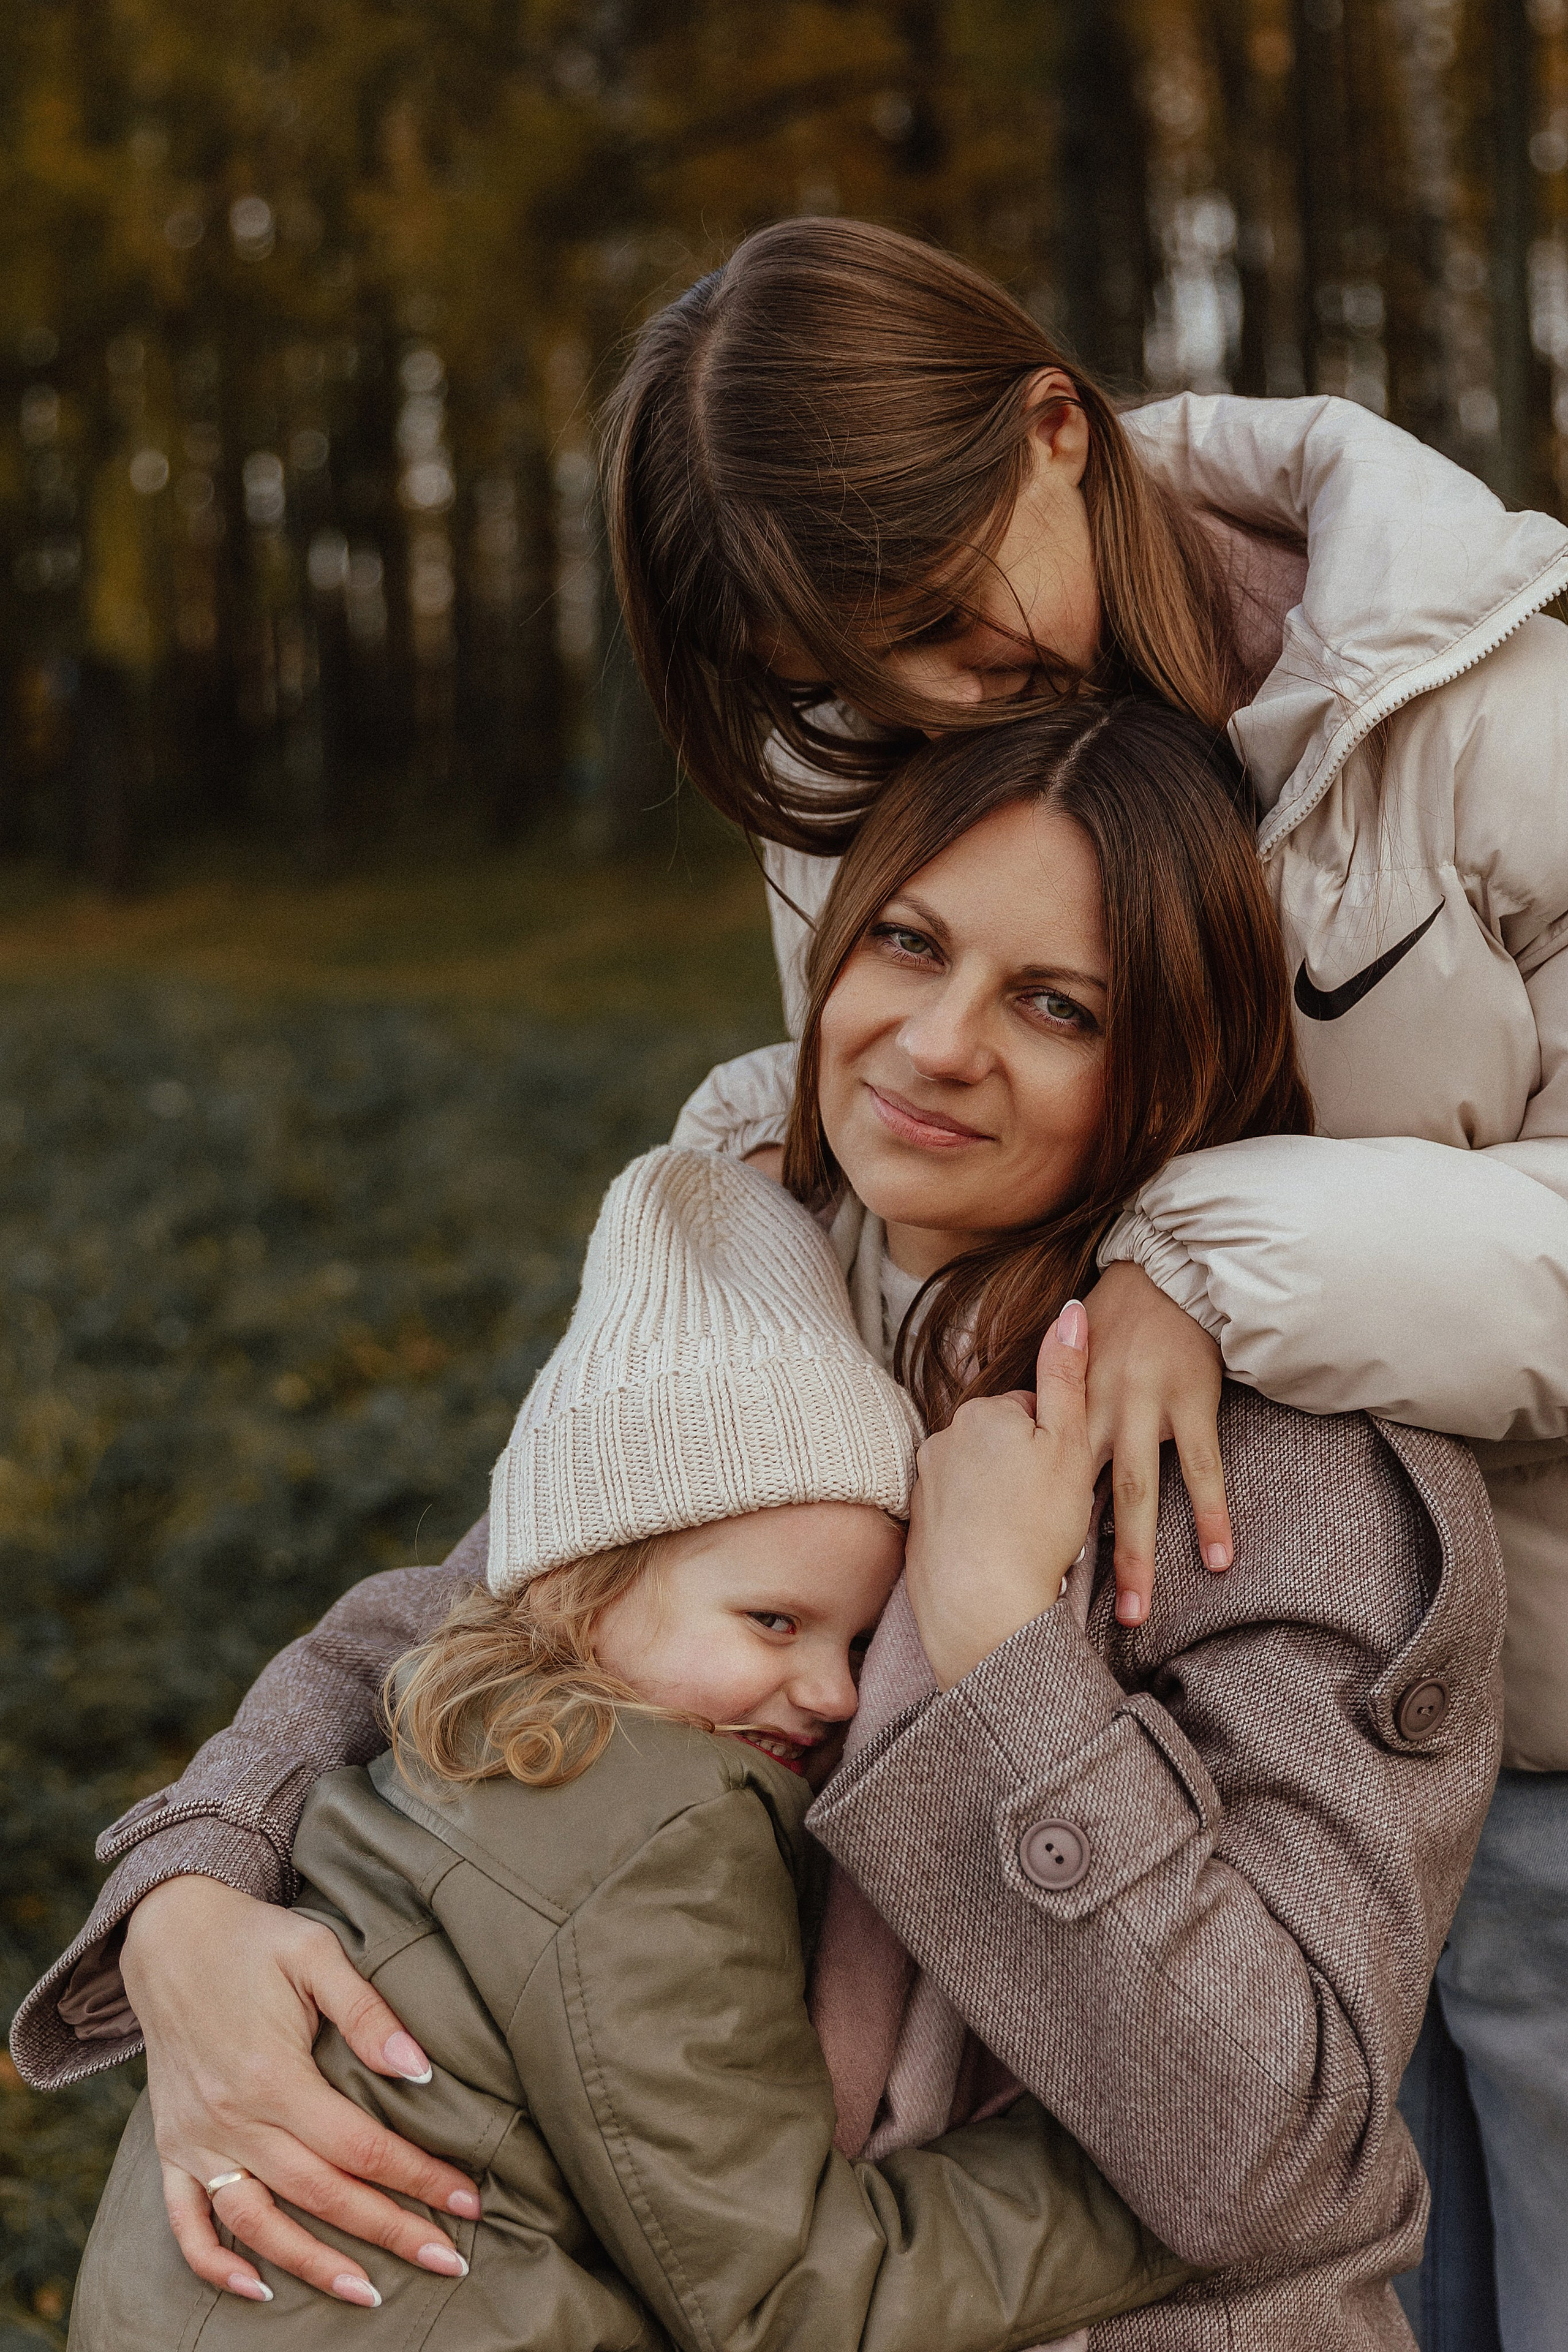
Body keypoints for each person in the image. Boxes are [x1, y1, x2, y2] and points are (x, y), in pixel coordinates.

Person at [14, 702, 1506, 2351]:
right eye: (908, 943)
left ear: (1171, 1066)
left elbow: (1279, 2154)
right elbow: (473, 1608)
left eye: (1055, 1004)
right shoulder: (781, 1266)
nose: (936, 1043)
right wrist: (192, 1892)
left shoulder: (1286, 1468)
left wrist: (1011, 1652)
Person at [602, 217, 1568, 2352]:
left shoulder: (1495, 708)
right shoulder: (882, 753)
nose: (932, 695)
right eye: (843, 672)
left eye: (947, 614)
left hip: (1544, 1751)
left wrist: (1205, 1267)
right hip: (1123, 1745)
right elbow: (898, 1235)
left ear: (1058, 425)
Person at [69, 1144, 1180, 2350]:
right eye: (772, 1622)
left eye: (859, 1645)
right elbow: (789, 2296)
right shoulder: (647, 1822)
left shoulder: (474, 1747)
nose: (830, 1691)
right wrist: (1152, 2183)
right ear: (578, 1595)